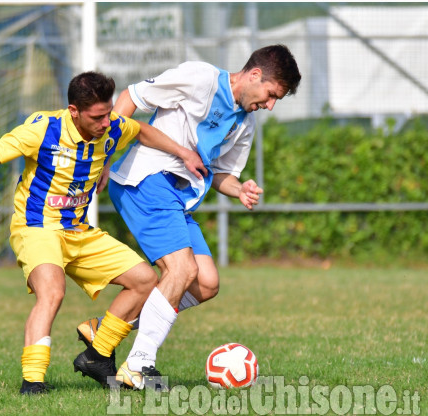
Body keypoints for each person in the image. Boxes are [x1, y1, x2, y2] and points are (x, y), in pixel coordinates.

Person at [0, 71, 206, 395]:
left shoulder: (112, 127)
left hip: (78, 231)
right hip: (37, 227)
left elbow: (143, 131)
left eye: (109, 113)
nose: (107, 122)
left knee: (145, 280)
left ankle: (97, 354)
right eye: (98, 117)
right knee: (52, 292)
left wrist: (184, 153)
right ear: (74, 111)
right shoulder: (44, 128)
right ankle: (33, 382)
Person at [75, 45, 301, 390]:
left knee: (206, 282)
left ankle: (103, 334)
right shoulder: (201, 79)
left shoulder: (245, 123)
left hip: (178, 199)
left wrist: (239, 189)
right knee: (181, 270)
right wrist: (105, 157)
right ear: (255, 75)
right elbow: (132, 97)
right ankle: (138, 364)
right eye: (271, 95)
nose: (270, 105)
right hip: (146, 179)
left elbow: (220, 173)